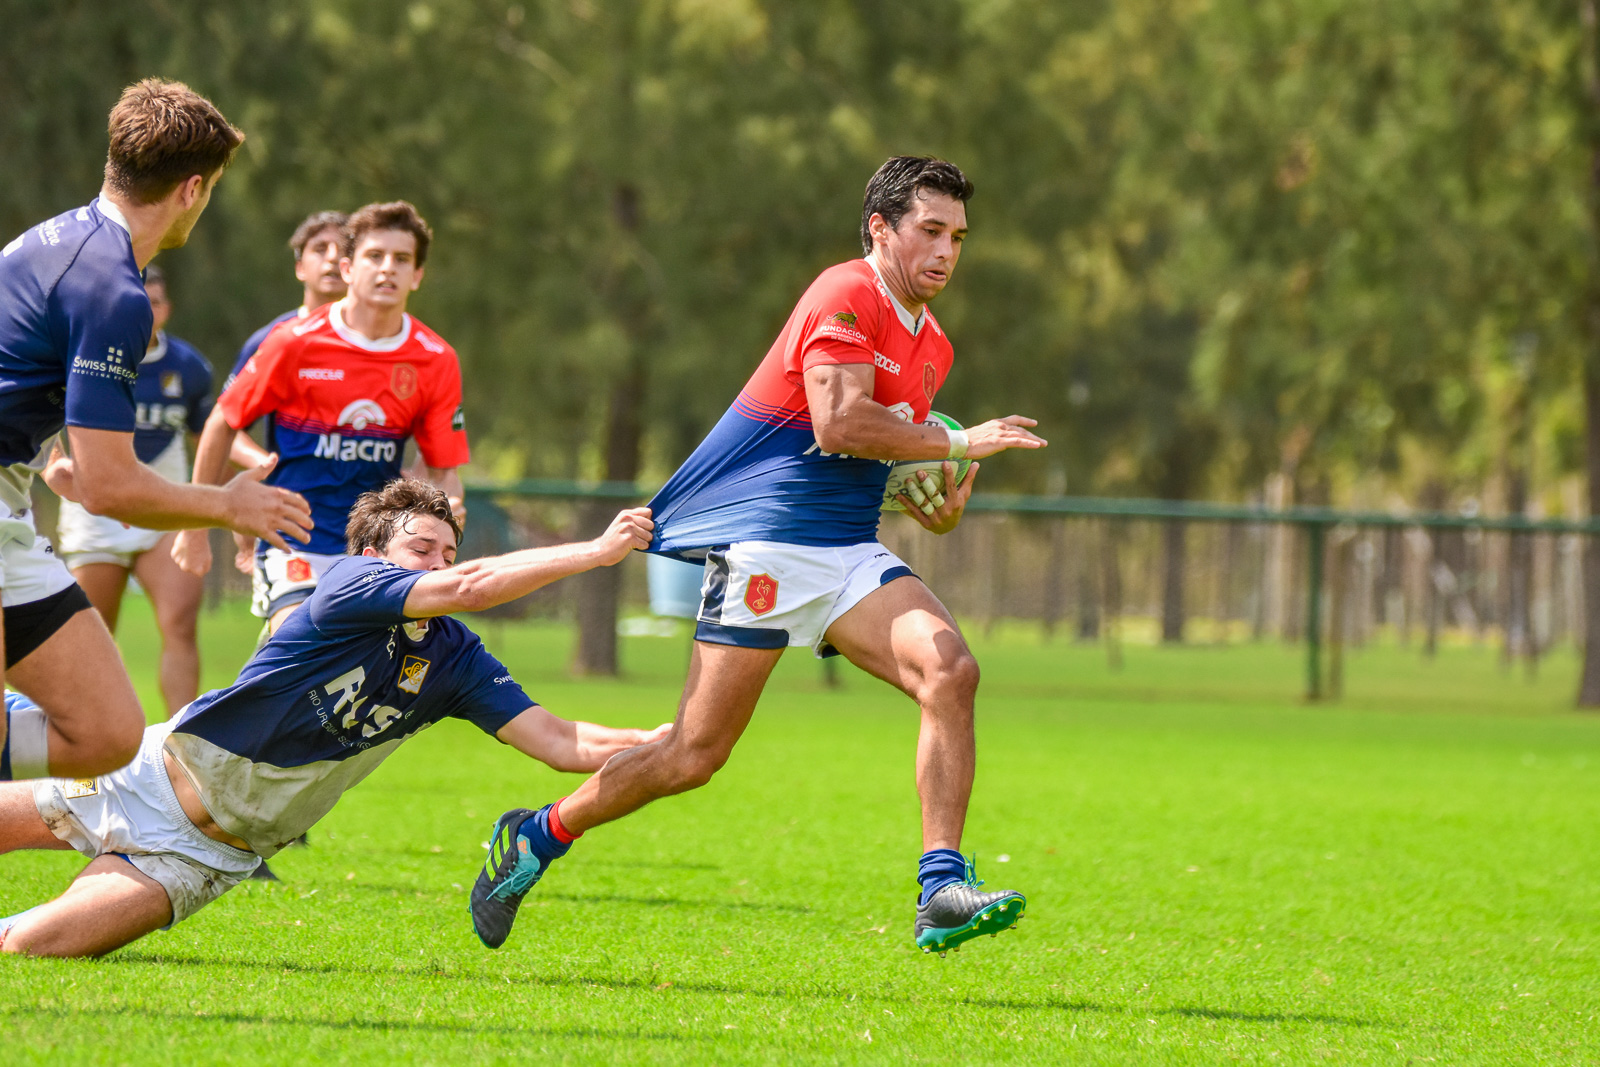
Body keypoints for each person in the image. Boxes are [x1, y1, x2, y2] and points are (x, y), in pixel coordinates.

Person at [468, 156, 1048, 958]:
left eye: (958, 236)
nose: (947, 250)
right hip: (769, 544)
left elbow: (884, 463)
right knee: (693, 754)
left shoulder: (933, 346)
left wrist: (938, 510)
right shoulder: (844, 293)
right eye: (931, 230)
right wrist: (960, 438)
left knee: (951, 669)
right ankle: (539, 832)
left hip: (847, 549)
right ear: (881, 228)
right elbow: (837, 424)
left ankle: (939, 887)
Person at [0, 479, 663, 958]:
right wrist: (595, 551)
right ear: (375, 559)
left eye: (447, 555)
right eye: (421, 549)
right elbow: (473, 587)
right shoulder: (351, 586)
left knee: (27, 946)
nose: (438, 565)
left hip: (206, 859)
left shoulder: (454, 655)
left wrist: (661, 744)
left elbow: (557, 739)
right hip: (137, 778)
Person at [0, 78, 314, 785]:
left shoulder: (62, 236)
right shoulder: (114, 290)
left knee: (106, 730)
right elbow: (111, 488)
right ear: (192, 189)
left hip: (9, 502)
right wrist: (228, 504)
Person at [174, 201, 468, 636]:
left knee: (364, 682)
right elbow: (221, 423)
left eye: (401, 259)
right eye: (375, 256)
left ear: (417, 275)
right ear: (348, 268)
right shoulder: (294, 342)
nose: (388, 269)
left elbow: (444, 473)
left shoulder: (435, 359)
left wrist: (447, 511)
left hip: (377, 551)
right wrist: (194, 529)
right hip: (294, 541)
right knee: (299, 645)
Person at [55, 266, 214, 715]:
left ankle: (182, 748)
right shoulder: (82, 357)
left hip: (164, 511)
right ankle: (92, 746)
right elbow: (46, 428)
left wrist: (223, 497)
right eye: (137, 300)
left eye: (156, 301)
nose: (146, 309)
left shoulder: (189, 366)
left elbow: (211, 440)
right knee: (93, 637)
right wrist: (57, 467)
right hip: (95, 513)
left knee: (180, 624)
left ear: (167, 309)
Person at [202, 210, 350, 575]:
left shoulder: (390, 345)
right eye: (320, 248)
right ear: (300, 267)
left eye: (343, 249)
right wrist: (268, 465)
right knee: (293, 628)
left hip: (368, 525)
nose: (332, 257)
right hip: (295, 522)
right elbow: (225, 427)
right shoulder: (273, 339)